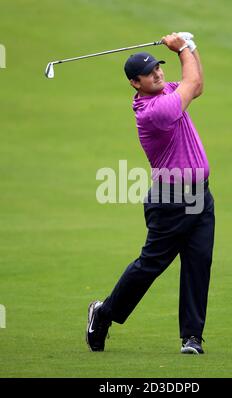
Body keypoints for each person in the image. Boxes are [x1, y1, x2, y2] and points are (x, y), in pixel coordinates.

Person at [86, 32, 215, 355]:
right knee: (150, 266)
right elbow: (189, 83)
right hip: (171, 199)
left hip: (201, 195)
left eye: (159, 67)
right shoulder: (153, 112)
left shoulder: (168, 91)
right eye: (150, 73)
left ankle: (192, 337)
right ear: (135, 83)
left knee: (199, 263)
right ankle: (103, 313)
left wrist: (192, 48)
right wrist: (184, 47)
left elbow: (195, 84)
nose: (158, 73)